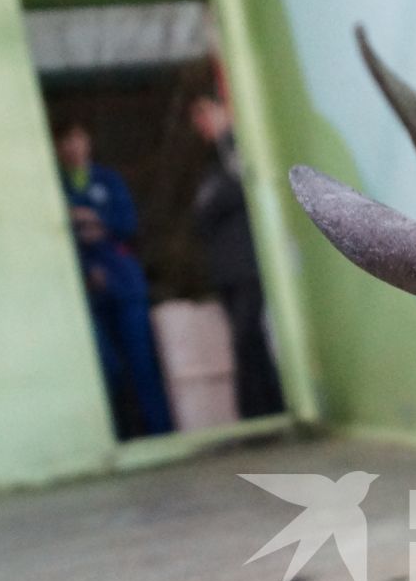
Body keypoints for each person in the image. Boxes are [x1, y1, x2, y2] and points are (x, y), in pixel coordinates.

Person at [54, 121, 173, 438]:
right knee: (107, 369)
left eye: (77, 139)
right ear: (56, 147)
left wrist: (92, 219)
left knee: (142, 363)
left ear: (87, 142)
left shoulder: (108, 180)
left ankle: (159, 431)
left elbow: (127, 224)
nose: (73, 147)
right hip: (90, 292)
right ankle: (123, 436)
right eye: (65, 141)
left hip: (124, 284)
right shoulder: (54, 186)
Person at [189, 94, 286, 419]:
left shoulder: (238, 147)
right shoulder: (211, 162)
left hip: (247, 265)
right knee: (249, 340)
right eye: (197, 118)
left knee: (246, 337)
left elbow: (234, 192)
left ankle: (257, 413)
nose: (202, 123)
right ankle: (269, 409)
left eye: (206, 113)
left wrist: (214, 201)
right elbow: (200, 216)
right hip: (227, 269)